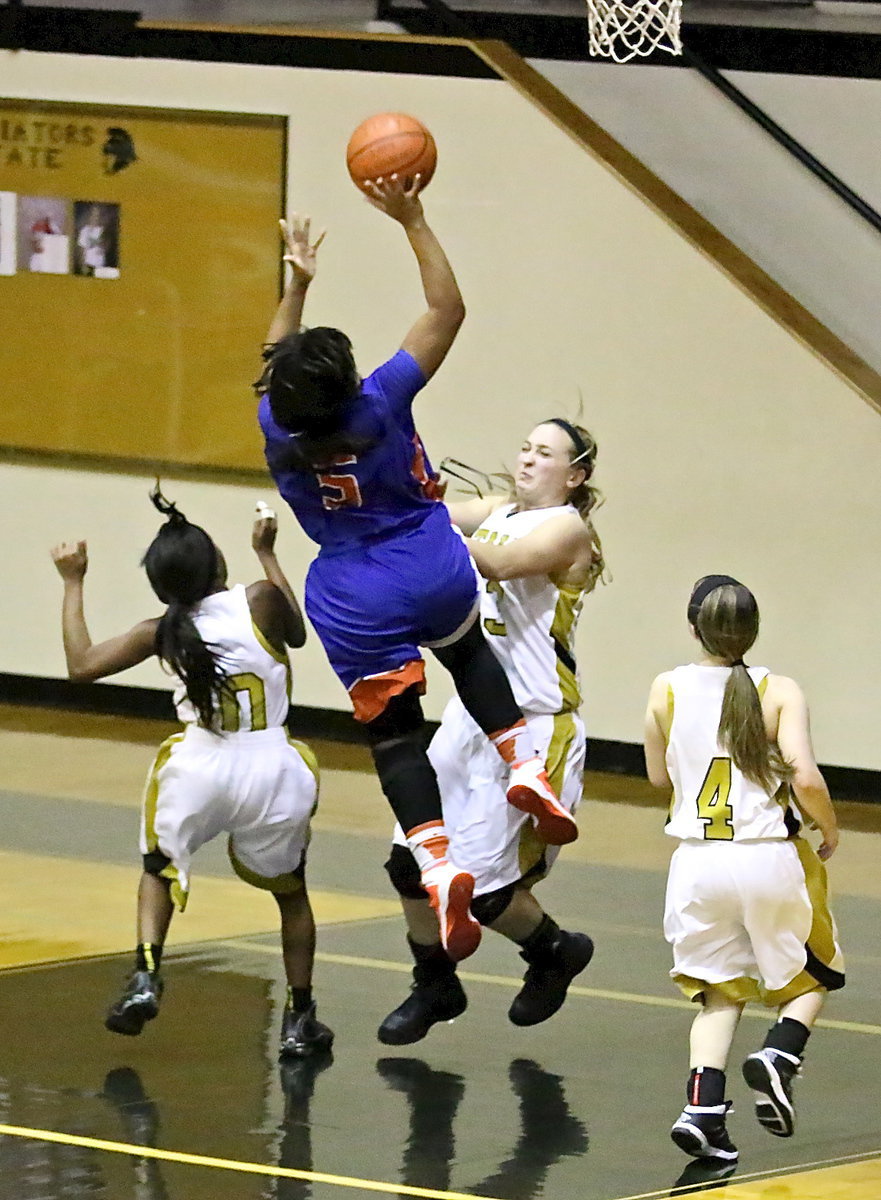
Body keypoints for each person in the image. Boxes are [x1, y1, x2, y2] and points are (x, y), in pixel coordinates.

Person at [255, 180, 576, 964]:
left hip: (350, 590)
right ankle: (522, 763)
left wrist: (294, 285)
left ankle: (434, 865)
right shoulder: (381, 399)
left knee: (395, 738)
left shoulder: (276, 426)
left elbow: (272, 363)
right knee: (468, 653)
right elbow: (445, 311)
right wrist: (413, 219)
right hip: (424, 558)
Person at [51, 489, 333, 1059]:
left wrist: (73, 581)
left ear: (162, 588)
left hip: (200, 767)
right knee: (292, 896)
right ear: (219, 565)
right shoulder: (258, 601)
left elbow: (81, 666)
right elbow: (298, 632)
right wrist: (269, 553)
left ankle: (146, 974)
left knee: (158, 868)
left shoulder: (162, 629)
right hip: (271, 770)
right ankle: (300, 1018)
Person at [378, 419, 604, 1045]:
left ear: (575, 473)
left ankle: (553, 951)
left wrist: (427, 526)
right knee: (409, 862)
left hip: (533, 722)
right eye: (525, 447)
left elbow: (500, 564)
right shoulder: (500, 507)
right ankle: (434, 983)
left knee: (482, 890)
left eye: (545, 453)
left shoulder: (567, 527)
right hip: (471, 716)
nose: (528, 459)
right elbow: (435, 512)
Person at [643, 575, 844, 1162]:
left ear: (692, 627)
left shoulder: (666, 688)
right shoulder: (780, 689)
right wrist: (830, 827)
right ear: (754, 631)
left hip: (696, 865)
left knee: (717, 995)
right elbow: (804, 777)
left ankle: (703, 1109)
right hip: (766, 857)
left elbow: (660, 779)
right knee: (817, 976)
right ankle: (779, 1054)